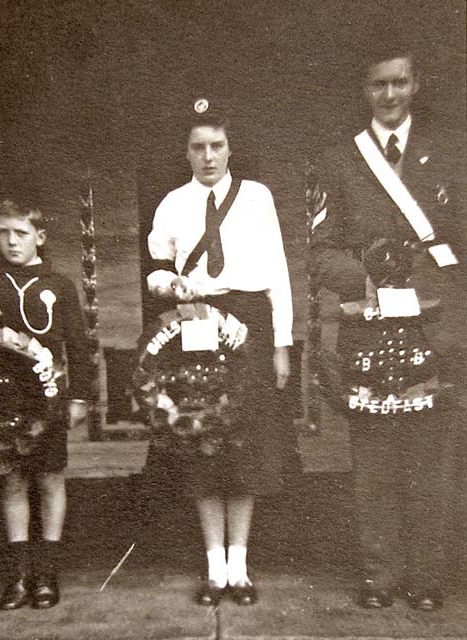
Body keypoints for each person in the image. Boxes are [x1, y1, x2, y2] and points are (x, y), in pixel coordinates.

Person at [309, 39, 466, 611]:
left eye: (399, 82)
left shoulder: (449, 152)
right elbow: (321, 252)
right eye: (379, 84)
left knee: (432, 463)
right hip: (370, 330)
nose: (390, 94)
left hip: (436, 331)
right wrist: (368, 281)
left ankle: (427, 579)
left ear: (415, 84)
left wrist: (433, 289)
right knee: (373, 461)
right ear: (365, 90)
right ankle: (380, 575)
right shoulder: (339, 160)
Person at [146, 100, 294, 606]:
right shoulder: (171, 203)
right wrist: (171, 285)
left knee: (246, 443)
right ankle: (213, 568)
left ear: (231, 148)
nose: (208, 156)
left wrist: (280, 344)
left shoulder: (256, 197)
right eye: (198, 147)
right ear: (186, 152)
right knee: (201, 437)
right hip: (195, 324)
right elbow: (158, 268)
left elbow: (277, 273)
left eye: (217, 146)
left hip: (248, 320)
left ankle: (240, 566)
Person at [0, 198, 90, 610]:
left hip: (49, 396)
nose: (12, 241)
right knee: (13, 479)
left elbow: (79, 345)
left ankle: (47, 573)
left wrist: (80, 396)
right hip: (3, 397)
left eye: (21, 233)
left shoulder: (59, 284)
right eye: (3, 232)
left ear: (40, 236)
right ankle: (19, 574)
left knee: (51, 478)